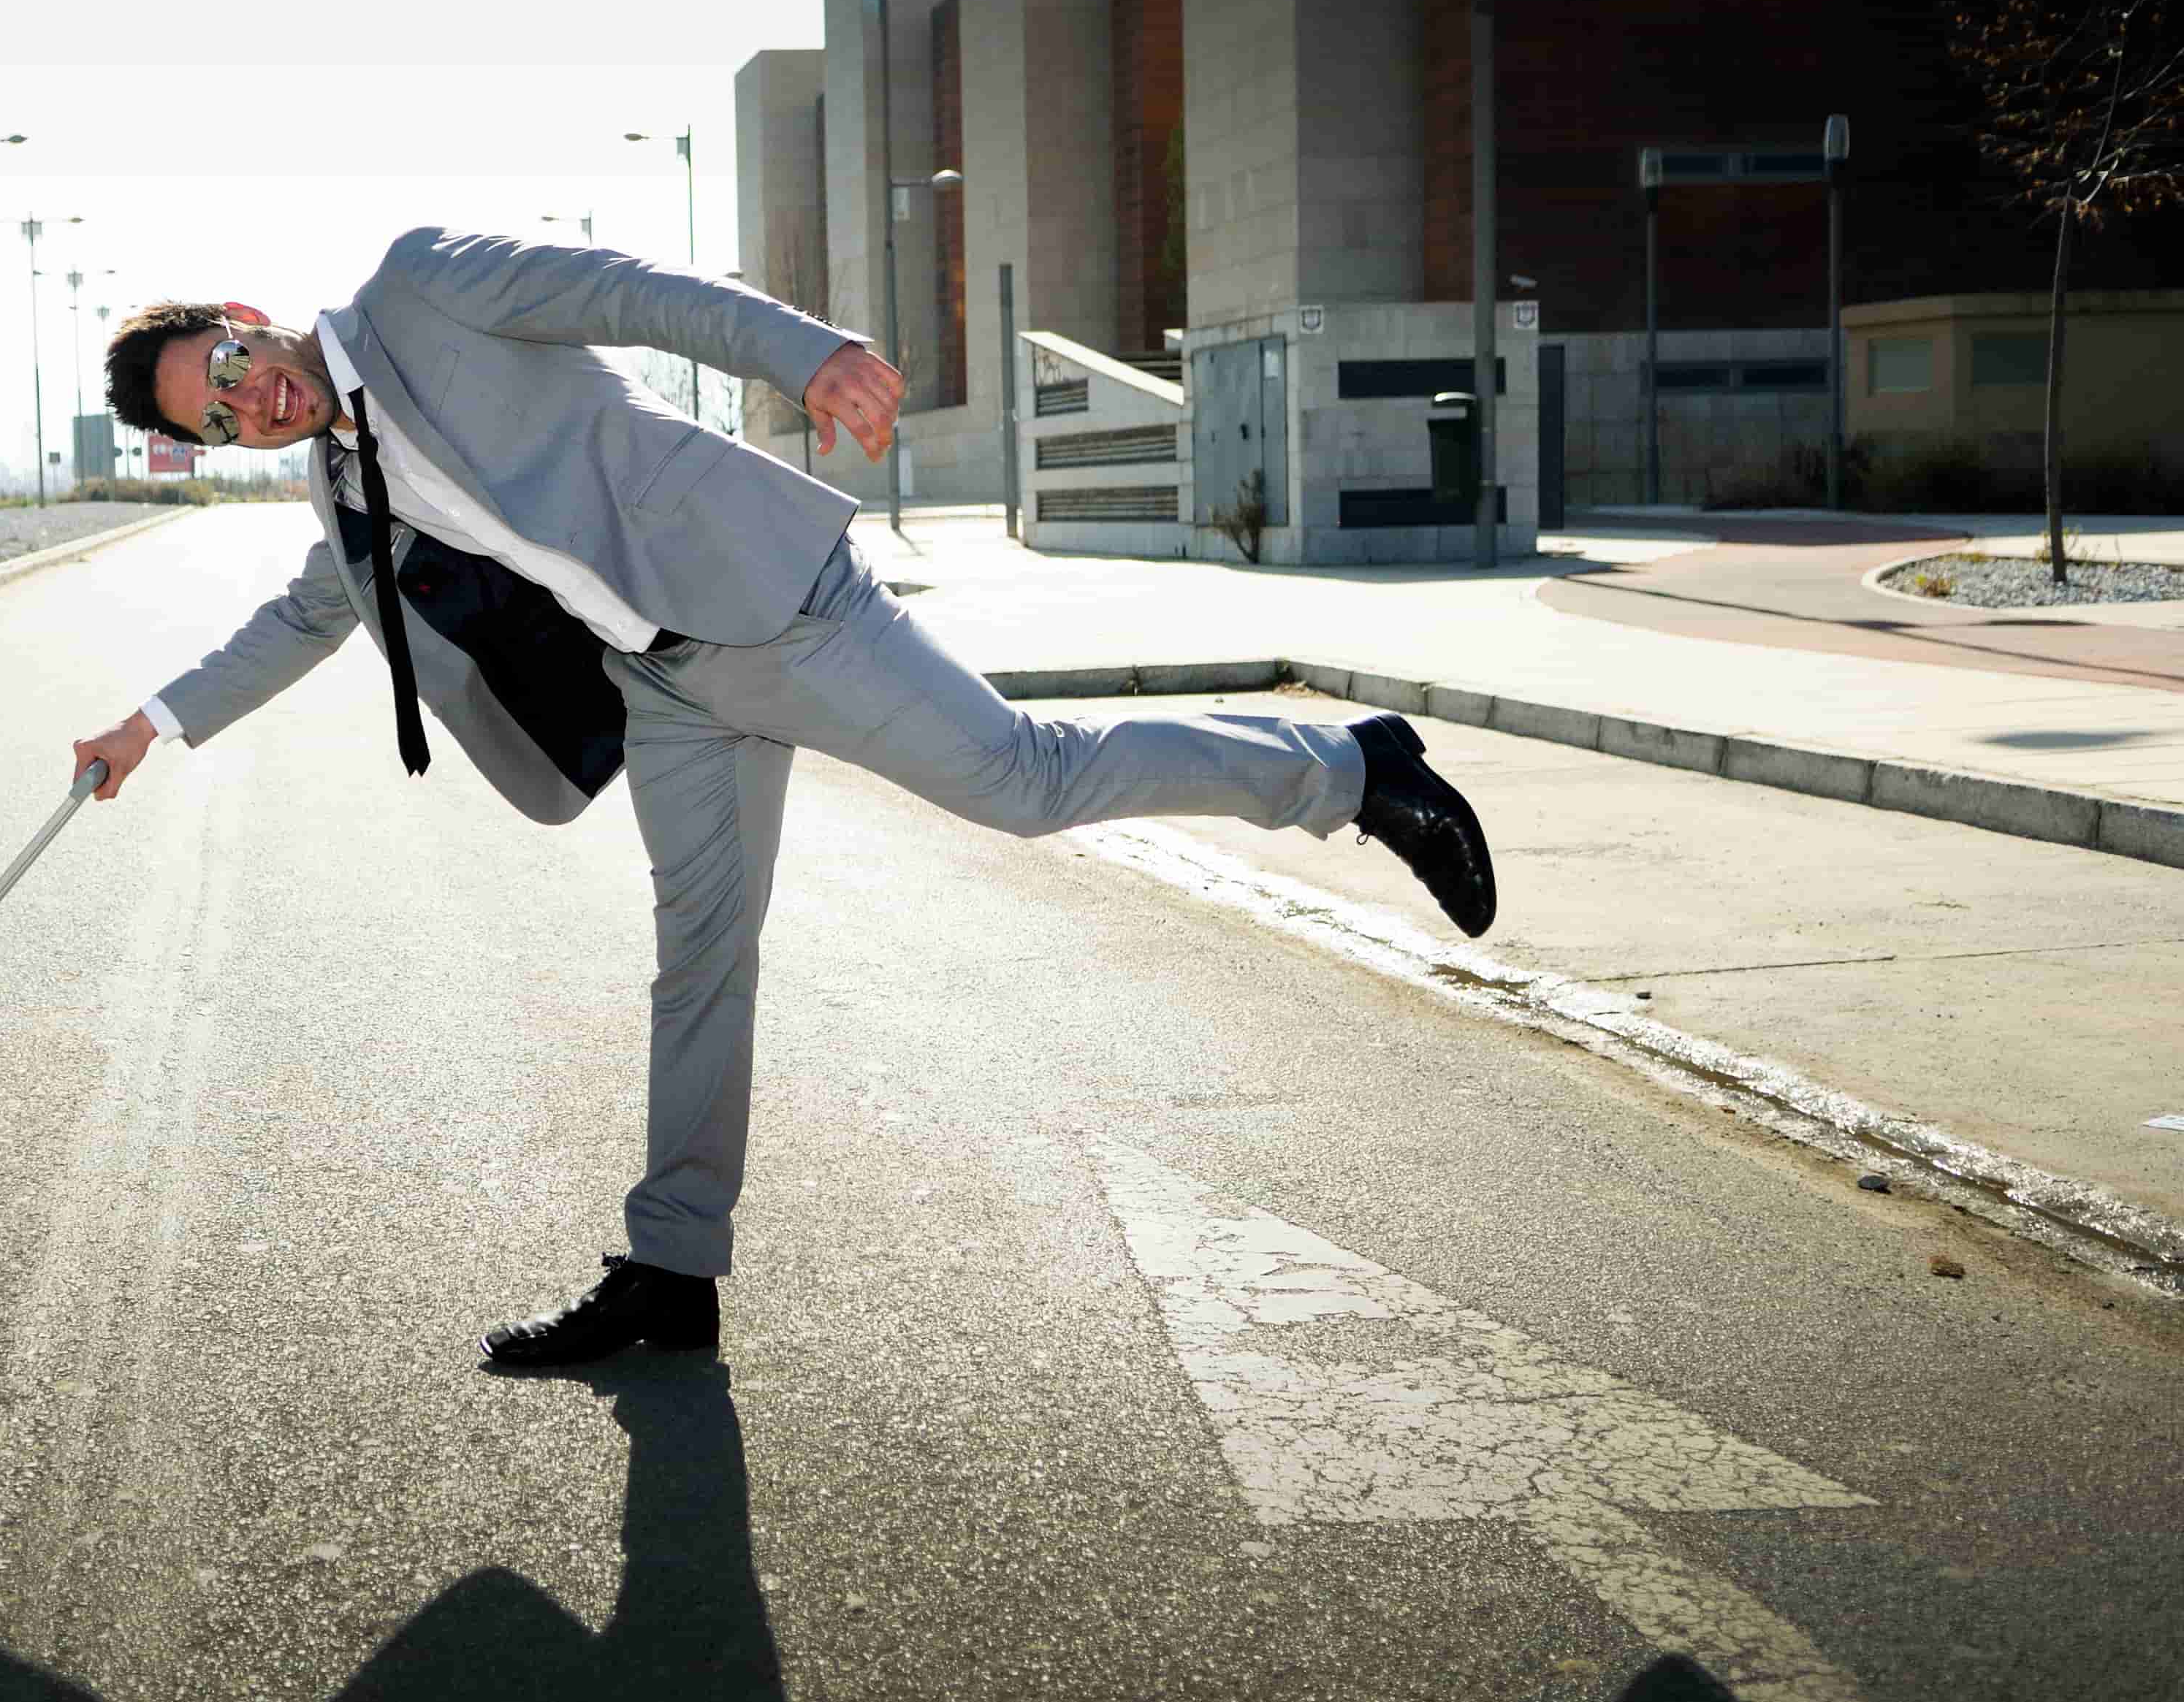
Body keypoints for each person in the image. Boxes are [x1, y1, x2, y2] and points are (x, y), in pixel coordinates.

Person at [77, 228, 1494, 1367]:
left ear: (249, 315)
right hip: (665, 689)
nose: (250, 401)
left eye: (233, 364)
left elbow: (631, 294)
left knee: (1024, 781)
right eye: (219, 418)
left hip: (776, 602)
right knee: (697, 958)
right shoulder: (338, 478)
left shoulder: (419, 286)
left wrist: (808, 355)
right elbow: (299, 620)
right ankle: (670, 1267)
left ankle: (1351, 769)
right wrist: (149, 723)